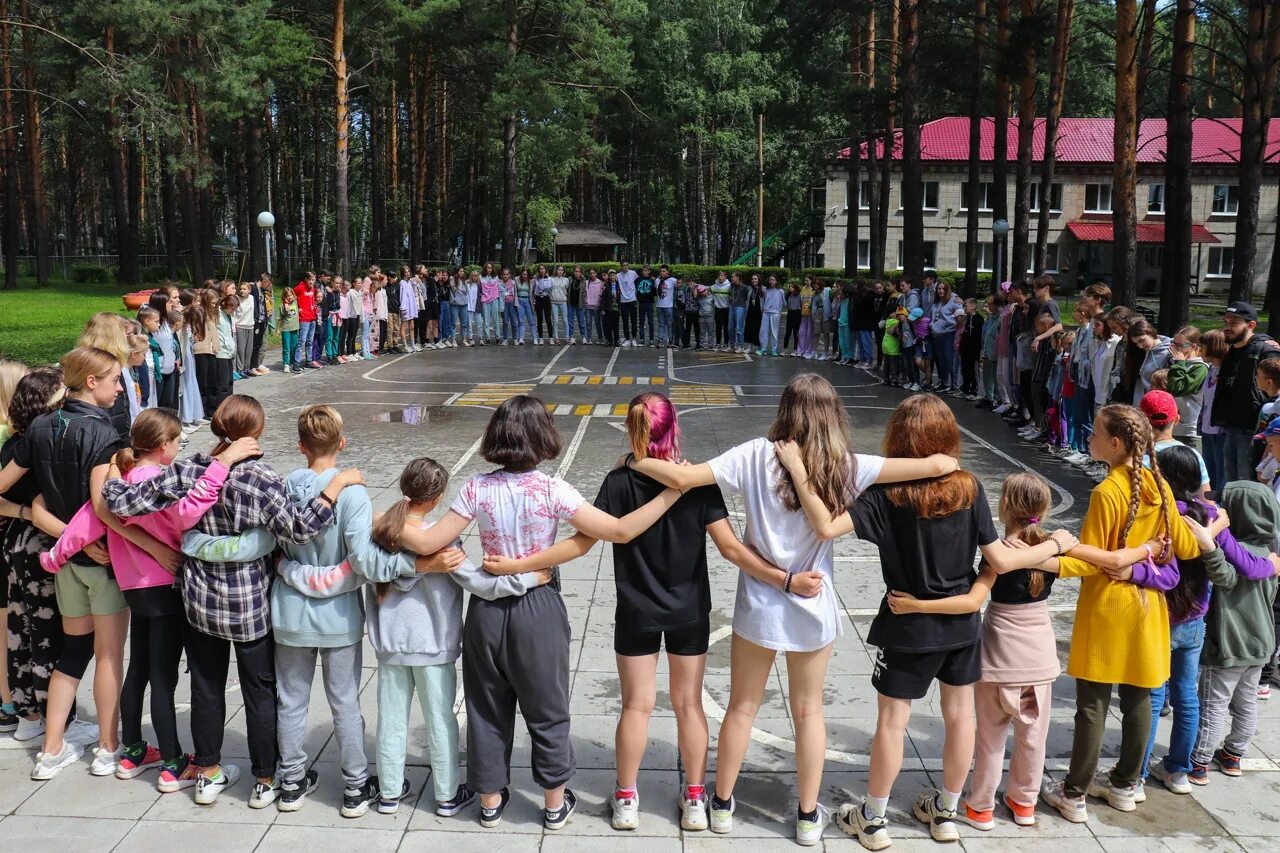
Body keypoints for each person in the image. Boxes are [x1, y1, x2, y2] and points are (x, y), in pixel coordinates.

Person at [632, 374, 961, 845]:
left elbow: (684, 477)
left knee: (742, 708)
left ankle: (721, 805)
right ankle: (809, 816)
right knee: (808, 713)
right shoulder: (847, 465)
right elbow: (936, 464)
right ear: (832, 416)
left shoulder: (753, 454)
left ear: (785, 410)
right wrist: (945, 456)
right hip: (812, 604)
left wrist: (639, 457)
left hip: (760, 603)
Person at [485, 392, 817, 835]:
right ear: (673, 428)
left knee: (635, 706)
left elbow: (584, 540)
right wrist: (784, 579)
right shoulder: (696, 481)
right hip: (688, 611)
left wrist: (525, 564)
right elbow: (731, 548)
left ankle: (625, 799)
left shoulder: (619, 481)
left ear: (632, 429)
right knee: (689, 705)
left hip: (636, 610)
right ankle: (696, 799)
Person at [785, 399, 1075, 847]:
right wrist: (1054, 544)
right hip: (961, 625)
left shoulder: (885, 494)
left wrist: (799, 471)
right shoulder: (969, 488)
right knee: (961, 719)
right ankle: (945, 812)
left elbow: (824, 526)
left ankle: (875, 818)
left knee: (892, 722)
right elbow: (998, 559)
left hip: (907, 621)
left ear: (899, 438)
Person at [392, 395, 683, 831]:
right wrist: (672, 492)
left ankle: (490, 801)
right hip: (538, 607)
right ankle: (553, 802)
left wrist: (383, 521)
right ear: (542, 438)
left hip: (486, 612)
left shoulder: (477, 487)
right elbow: (619, 531)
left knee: (486, 707)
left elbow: (431, 541)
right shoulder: (552, 489)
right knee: (547, 707)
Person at [102, 396, 362, 807]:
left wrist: (115, 473)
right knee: (260, 690)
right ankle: (264, 778)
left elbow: (121, 501)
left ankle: (207, 772)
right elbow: (299, 529)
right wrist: (335, 487)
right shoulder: (262, 478)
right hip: (249, 603)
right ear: (256, 432)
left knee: (206, 686)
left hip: (200, 600)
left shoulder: (192, 467)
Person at [884, 471, 1141, 832]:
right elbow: (1105, 562)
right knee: (1033, 740)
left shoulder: (997, 553)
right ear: (1045, 507)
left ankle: (980, 808)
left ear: (1004, 506)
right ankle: (1023, 805)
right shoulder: (1055, 547)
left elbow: (974, 596)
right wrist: (1147, 550)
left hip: (997, 656)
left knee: (989, 739)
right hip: (1038, 659)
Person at [40, 410, 258, 790]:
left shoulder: (122, 481)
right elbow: (189, 511)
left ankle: (132, 750)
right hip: (166, 587)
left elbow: (87, 521)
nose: (180, 447)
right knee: (163, 677)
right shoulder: (158, 484)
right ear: (163, 446)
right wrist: (220, 466)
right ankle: (174, 762)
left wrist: (55, 557)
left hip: (133, 588)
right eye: (178, 442)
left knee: (138, 667)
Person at [0, 348, 178, 781]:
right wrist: (153, 548)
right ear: (92, 381)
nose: (122, 388)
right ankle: (107, 748)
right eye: (115, 380)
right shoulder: (103, 433)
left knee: (74, 652)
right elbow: (103, 508)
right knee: (109, 655)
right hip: (101, 561)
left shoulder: (40, 426)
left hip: (63, 562)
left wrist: (40, 515)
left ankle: (51, 749)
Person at [1041, 404, 1203, 824]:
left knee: (1092, 705)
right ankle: (1126, 785)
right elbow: (1187, 548)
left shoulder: (1107, 492)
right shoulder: (1159, 484)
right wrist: (1158, 545)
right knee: (1138, 697)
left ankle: (1073, 793)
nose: (1089, 437)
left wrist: (1048, 554)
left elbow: (1094, 561)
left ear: (1115, 444)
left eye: (1094, 432)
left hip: (1107, 606)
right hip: (1148, 606)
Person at [1145, 447, 1276, 795]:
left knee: (1155, 697)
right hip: (1195, 619)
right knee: (1188, 695)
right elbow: (1247, 566)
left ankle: (1137, 773)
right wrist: (1270, 565)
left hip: (1160, 617)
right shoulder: (1209, 516)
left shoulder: (1156, 512)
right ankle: (1180, 770)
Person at [1186, 480, 1280, 785]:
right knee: (1246, 702)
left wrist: (1208, 546)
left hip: (1229, 643)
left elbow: (1224, 578)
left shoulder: (1234, 554)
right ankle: (1233, 755)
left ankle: (1198, 762)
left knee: (1213, 704)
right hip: (1261, 643)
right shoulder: (1268, 555)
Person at [1, 368, 67, 745]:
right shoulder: (36, 445)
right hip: (38, 545)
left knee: (19, 627)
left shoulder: (14, 442)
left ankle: (27, 714)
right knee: (45, 633)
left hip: (14, 543)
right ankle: (53, 717)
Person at [1211, 302, 1279, 483]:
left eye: (1233, 323)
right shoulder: (1231, 350)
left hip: (1252, 428)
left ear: (1251, 325)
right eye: (1225, 322)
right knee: (1229, 479)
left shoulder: (1266, 349)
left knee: (1246, 480)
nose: (1227, 328)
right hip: (1230, 425)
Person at [278, 286, 300, 374]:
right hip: (286, 328)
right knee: (286, 347)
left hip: (295, 328)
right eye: (287, 296)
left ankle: (291, 362)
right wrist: (278, 329)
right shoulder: (282, 306)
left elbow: (298, 295)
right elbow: (280, 318)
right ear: (284, 297)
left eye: (291, 295)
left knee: (293, 346)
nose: (289, 297)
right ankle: (286, 364)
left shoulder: (295, 302)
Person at [618, 260, 639, 346]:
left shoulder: (633, 273)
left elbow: (638, 282)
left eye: (626, 265)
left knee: (634, 320)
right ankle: (627, 339)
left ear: (628, 265)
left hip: (632, 299)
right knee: (625, 320)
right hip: (623, 300)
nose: (625, 267)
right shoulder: (618, 276)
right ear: (621, 266)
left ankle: (634, 338)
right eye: (623, 265)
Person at [711, 272, 731, 351]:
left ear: (725, 276)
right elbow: (706, 289)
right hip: (717, 309)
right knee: (718, 328)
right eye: (719, 275)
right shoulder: (714, 286)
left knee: (726, 328)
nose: (720, 277)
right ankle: (718, 344)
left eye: (722, 275)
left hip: (726, 309)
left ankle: (726, 344)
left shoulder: (729, 286)